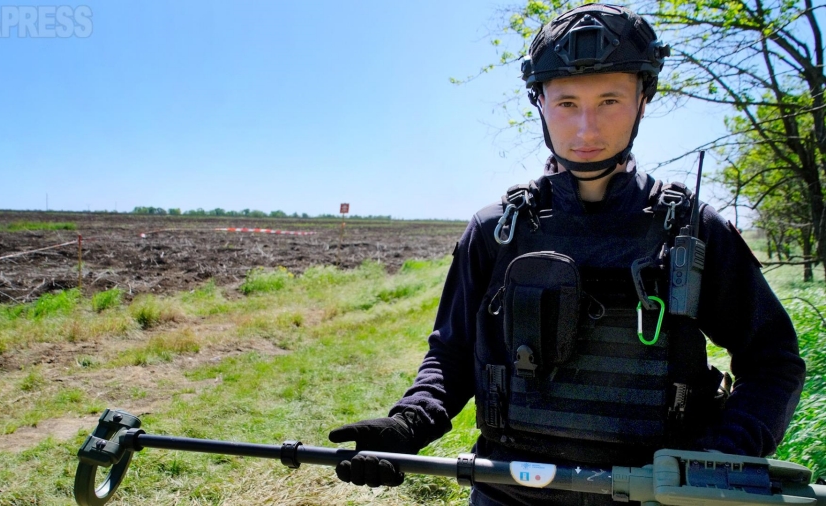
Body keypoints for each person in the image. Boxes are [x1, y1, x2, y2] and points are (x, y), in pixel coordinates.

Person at [328, 4, 806, 505]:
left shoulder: (693, 230)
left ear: (643, 100)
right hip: (508, 493)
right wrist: (409, 423)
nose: (586, 129)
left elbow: (773, 363)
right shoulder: (496, 230)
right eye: (567, 104)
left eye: (609, 101)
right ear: (539, 102)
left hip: (650, 497)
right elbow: (452, 354)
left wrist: (718, 455)